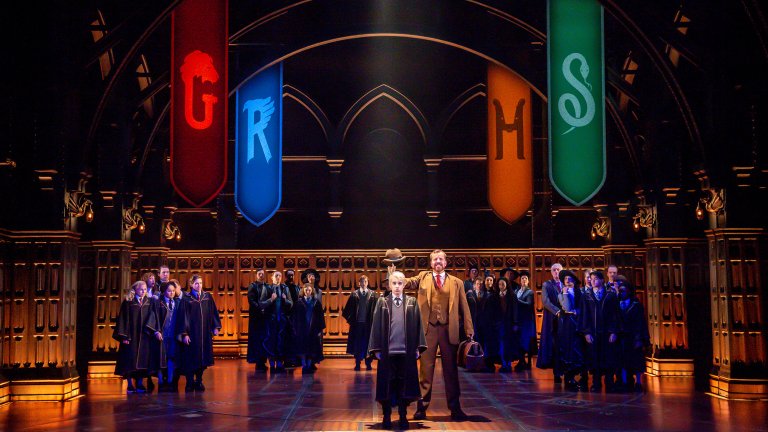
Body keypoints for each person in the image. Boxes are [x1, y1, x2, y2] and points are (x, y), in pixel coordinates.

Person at [388, 249, 473, 421]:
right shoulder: (423, 277)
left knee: (451, 371)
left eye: (441, 259)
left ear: (446, 262)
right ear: (431, 262)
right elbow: (407, 282)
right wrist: (395, 274)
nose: (438, 262)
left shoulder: (457, 282)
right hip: (428, 330)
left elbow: (465, 307)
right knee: (426, 371)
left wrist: (469, 330)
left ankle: (455, 408)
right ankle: (422, 407)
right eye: (435, 260)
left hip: (449, 330)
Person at [368, 271, 427, 430]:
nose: (397, 286)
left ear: (404, 285)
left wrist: (417, 347)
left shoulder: (412, 303)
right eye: (394, 283)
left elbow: (418, 326)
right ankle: (386, 416)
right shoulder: (382, 302)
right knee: (387, 384)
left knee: (404, 385)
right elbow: (376, 327)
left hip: (406, 353)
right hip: (388, 353)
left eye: (400, 283)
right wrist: (376, 349)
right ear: (389, 285)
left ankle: (403, 416)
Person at [176, 274, 221, 392]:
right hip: (192, 334)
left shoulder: (207, 297)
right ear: (191, 284)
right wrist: (184, 334)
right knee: (190, 359)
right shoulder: (187, 299)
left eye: (200, 283)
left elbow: (213, 313)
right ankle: (189, 382)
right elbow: (182, 317)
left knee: (202, 359)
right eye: (196, 283)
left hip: (204, 334)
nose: (199, 285)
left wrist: (215, 326)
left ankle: (199, 381)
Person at [579, 270, 619, 392]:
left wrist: (613, 331)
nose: (593, 281)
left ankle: (609, 382)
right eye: (591, 279)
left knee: (608, 358)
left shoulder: (610, 295)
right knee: (594, 358)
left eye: (596, 278)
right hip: (593, 332)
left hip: (606, 332)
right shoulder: (586, 296)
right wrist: (586, 332)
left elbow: (614, 315)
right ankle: (596, 383)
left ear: (602, 280)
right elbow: (584, 315)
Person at [113, 280, 154, 393]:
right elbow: (122, 319)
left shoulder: (149, 302)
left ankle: (140, 383)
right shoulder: (128, 302)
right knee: (129, 360)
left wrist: (150, 330)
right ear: (135, 289)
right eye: (141, 289)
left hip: (144, 336)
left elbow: (152, 317)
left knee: (142, 360)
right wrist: (124, 336)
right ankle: (130, 384)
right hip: (131, 336)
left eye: (145, 289)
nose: (143, 291)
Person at [616, 280, 650, 392]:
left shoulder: (636, 305)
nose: (621, 293)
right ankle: (625, 382)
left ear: (629, 292)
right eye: (620, 291)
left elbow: (641, 322)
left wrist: (640, 338)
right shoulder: (616, 305)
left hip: (634, 336)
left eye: (623, 291)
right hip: (621, 337)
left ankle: (639, 382)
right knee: (622, 360)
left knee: (637, 360)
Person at [149, 280, 180, 392]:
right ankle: (161, 381)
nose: (171, 293)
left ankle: (170, 381)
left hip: (172, 335)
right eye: (169, 291)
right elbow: (155, 318)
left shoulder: (176, 302)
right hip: (162, 334)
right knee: (160, 358)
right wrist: (156, 331)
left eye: (173, 291)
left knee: (171, 357)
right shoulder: (158, 303)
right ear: (164, 292)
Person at [342, 274, 378, 370]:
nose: (363, 283)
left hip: (368, 324)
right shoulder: (354, 294)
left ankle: (368, 363)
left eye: (365, 281)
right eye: (362, 281)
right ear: (359, 283)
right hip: (357, 324)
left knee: (368, 344)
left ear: (367, 283)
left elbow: (376, 310)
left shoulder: (373, 295)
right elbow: (346, 311)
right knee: (357, 344)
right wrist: (351, 320)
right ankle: (357, 363)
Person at [556, 270, 584, 391]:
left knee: (577, 349)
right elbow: (567, 307)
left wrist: (578, 311)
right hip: (567, 325)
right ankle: (569, 377)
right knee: (567, 349)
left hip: (578, 324)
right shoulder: (561, 294)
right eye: (565, 279)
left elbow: (583, 308)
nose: (567, 280)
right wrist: (565, 294)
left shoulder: (581, 293)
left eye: (569, 278)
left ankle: (578, 376)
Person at [261, 271, 293, 372]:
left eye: (280, 276)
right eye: (276, 276)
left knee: (281, 340)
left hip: (282, 319)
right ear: (272, 278)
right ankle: (271, 361)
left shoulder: (285, 288)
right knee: (271, 340)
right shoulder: (267, 288)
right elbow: (262, 303)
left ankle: (280, 361)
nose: (278, 277)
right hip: (271, 319)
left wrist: (285, 300)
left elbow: (291, 303)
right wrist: (271, 299)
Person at [537, 263, 563, 384]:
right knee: (554, 346)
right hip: (552, 320)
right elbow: (545, 302)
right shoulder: (547, 284)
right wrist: (557, 311)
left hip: (567, 320)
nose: (556, 272)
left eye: (558, 269)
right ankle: (557, 373)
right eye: (554, 270)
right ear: (551, 272)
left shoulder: (566, 283)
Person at [293, 283, 325, 373]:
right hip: (302, 329)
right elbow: (294, 317)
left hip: (313, 328)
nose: (308, 291)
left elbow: (320, 317)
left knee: (312, 348)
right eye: (306, 290)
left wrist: (320, 329)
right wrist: (295, 328)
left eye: (309, 290)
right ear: (303, 291)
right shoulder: (298, 303)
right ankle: (304, 364)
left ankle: (309, 364)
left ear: (312, 291)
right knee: (302, 347)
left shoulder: (316, 302)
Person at [247, 269, 270, 372]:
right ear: (256, 275)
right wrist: (260, 308)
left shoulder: (267, 286)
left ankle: (262, 361)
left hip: (265, 317)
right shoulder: (252, 286)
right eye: (259, 274)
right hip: (256, 317)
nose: (261, 275)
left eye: (262, 274)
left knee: (264, 339)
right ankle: (258, 362)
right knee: (256, 340)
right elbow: (251, 300)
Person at [496, 277, 520, 372]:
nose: (501, 286)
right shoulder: (496, 296)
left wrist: (515, 323)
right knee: (501, 345)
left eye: (503, 284)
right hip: (499, 325)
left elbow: (515, 310)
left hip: (509, 324)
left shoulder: (512, 295)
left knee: (509, 344)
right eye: (500, 284)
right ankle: (503, 363)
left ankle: (509, 364)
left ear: (506, 285)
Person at [515, 271, 536, 371]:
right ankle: (521, 361)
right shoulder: (517, 291)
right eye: (522, 278)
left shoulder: (530, 292)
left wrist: (516, 300)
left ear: (528, 281)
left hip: (527, 320)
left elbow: (528, 304)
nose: (523, 280)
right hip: (518, 320)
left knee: (526, 341)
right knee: (518, 341)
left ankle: (526, 363)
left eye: (525, 278)